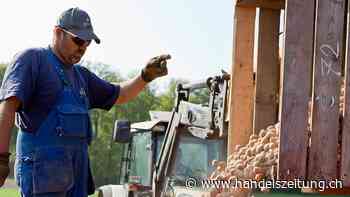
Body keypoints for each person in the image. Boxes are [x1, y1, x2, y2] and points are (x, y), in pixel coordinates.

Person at [0, 7, 171, 197]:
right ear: (58, 32)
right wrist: (1, 158)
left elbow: (120, 94)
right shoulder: (33, 60)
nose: (82, 47)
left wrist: (145, 76)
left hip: (76, 182)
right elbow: (7, 108)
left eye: (88, 42)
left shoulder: (82, 77)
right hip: (42, 182)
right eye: (78, 40)